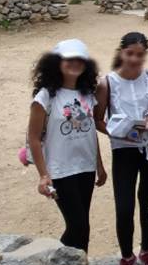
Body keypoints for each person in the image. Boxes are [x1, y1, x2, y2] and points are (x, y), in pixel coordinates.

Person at [95, 32, 148, 265]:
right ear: (121, 52)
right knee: (124, 206)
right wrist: (118, 130)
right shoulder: (108, 83)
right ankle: (126, 257)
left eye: (140, 54)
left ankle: (147, 250)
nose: (135, 59)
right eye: (130, 53)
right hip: (123, 151)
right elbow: (97, 119)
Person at [27, 38, 107, 252]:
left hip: (86, 167)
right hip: (60, 170)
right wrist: (43, 175)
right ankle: (60, 262)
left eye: (79, 59)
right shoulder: (45, 97)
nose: (74, 63)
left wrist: (99, 165)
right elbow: (34, 138)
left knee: (84, 225)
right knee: (77, 224)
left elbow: (90, 132)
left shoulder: (87, 94)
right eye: (68, 59)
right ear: (57, 63)